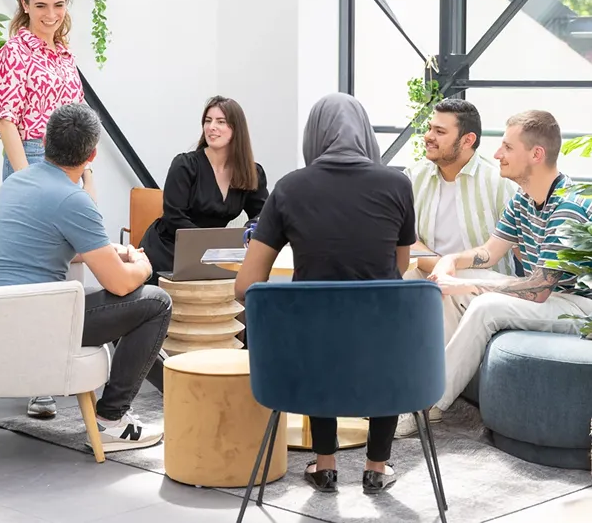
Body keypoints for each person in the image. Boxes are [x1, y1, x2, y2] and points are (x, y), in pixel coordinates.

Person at [235, 93, 416, 495]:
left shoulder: (289, 188)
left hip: (310, 355)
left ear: (312, 135)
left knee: (320, 330)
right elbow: (398, 267)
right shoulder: (398, 184)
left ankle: (325, 464)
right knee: (379, 329)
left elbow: (246, 286)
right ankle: (377, 466)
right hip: (383, 351)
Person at [0, 103, 172, 452]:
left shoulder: (18, 181)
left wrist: (113, 250)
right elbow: (121, 284)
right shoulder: (72, 199)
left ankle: (178, 393)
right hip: (38, 323)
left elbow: (48, 240)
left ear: (46, 142)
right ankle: (110, 421)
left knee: (125, 304)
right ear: (92, 154)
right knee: (155, 301)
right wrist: (142, 264)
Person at [415, 110, 592, 429]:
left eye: (508, 147)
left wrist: (468, 287)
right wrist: (451, 263)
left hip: (577, 308)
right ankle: (431, 387)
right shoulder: (524, 199)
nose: (497, 154)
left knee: (484, 305)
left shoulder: (569, 205)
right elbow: (489, 252)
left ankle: (426, 402)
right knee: (453, 281)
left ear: (536, 154)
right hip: (548, 295)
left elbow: (539, 290)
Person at [0, 0, 95, 417]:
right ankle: (36, 381)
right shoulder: (15, 51)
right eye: (41, 5)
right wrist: (27, 178)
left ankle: (60, 365)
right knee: (35, 272)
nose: (51, 14)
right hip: (31, 156)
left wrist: (88, 177)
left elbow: (82, 122)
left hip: (73, 165)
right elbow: (7, 120)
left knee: (73, 266)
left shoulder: (66, 56)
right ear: (24, 5)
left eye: (58, 4)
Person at [403, 99, 517, 342]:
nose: (428, 136)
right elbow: (405, 240)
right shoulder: (414, 177)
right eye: (430, 128)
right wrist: (444, 270)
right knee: (394, 280)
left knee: (443, 294)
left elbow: (522, 249)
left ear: (468, 140)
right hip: (431, 277)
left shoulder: (499, 183)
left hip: (479, 287)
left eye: (440, 131)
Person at [141, 95, 268, 278]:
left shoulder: (251, 172)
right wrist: (214, 243)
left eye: (220, 121)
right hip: (169, 252)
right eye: (208, 121)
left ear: (236, 129)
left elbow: (264, 213)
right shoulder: (185, 165)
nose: (211, 127)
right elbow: (174, 217)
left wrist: (248, 231)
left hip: (213, 255)